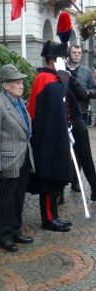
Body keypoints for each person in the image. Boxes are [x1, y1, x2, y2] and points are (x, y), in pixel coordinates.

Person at [0, 64, 35, 252]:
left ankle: (16, 230)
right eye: (17, 83)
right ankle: (4, 235)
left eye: (22, 82)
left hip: (23, 158)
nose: (22, 86)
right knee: (6, 199)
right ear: (6, 85)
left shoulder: (19, 102)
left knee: (19, 198)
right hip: (7, 161)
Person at [27, 40, 73, 232]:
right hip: (46, 141)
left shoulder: (51, 79)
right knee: (48, 181)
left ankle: (54, 215)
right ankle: (48, 219)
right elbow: (59, 92)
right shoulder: (47, 79)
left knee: (55, 181)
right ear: (54, 60)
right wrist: (63, 74)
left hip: (54, 138)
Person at [65, 45, 96, 200]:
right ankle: (66, 187)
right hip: (65, 115)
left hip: (81, 114)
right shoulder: (62, 70)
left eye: (79, 53)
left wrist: (85, 93)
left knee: (83, 153)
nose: (77, 55)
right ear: (69, 54)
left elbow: (94, 91)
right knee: (68, 154)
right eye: (74, 53)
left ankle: (86, 185)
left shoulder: (86, 71)